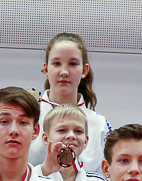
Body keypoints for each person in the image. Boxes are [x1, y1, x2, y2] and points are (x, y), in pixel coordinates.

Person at [28, 33, 111, 171]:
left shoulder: (99, 124)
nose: (64, 72)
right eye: (56, 63)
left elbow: (107, 178)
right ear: (46, 69)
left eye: (73, 64)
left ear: (84, 70)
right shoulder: (27, 118)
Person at [37, 104, 110, 181]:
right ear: (46, 139)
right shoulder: (31, 179)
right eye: (62, 130)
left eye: (78, 131)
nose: (71, 136)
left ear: (86, 141)